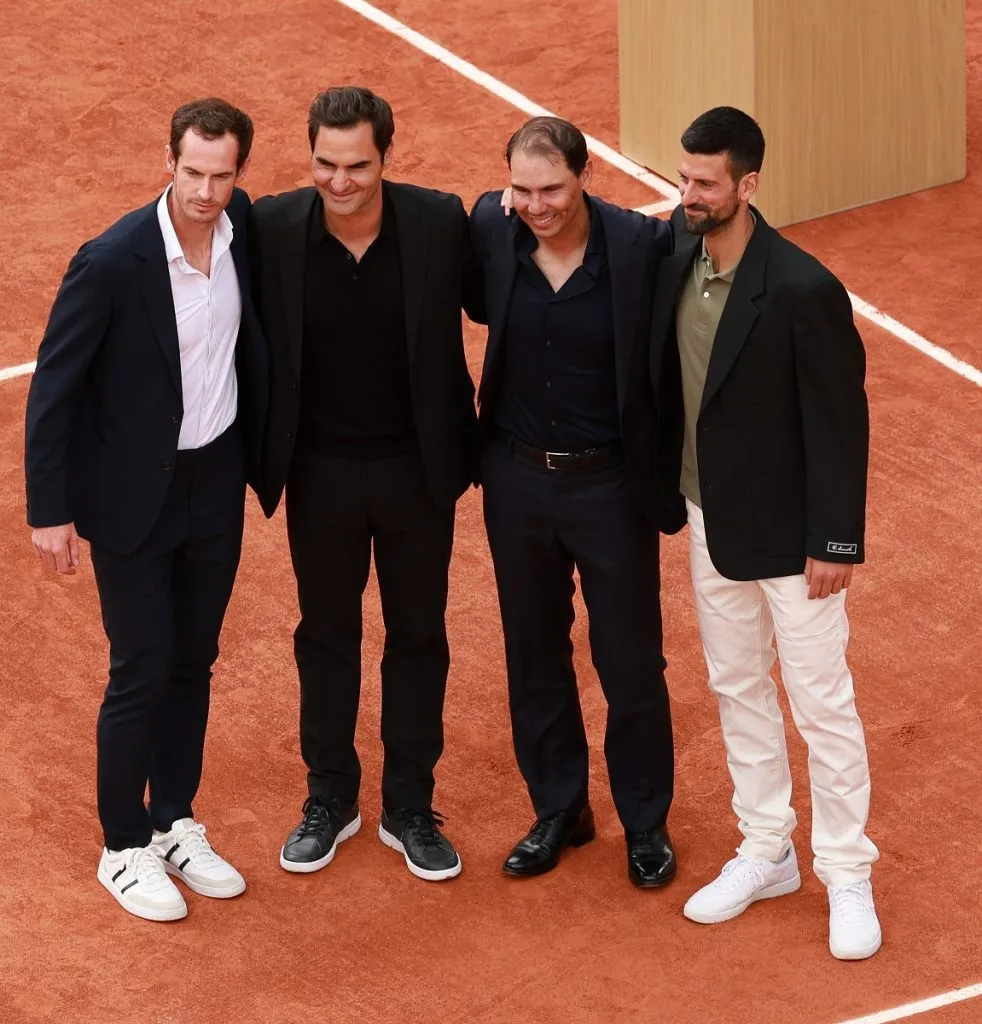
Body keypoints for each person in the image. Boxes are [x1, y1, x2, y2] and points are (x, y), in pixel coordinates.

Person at [24, 98, 269, 922]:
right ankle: (122, 845)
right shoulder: (113, 260)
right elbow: (53, 389)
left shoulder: (244, 240)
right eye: (192, 172)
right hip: (133, 498)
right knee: (141, 665)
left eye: (221, 175)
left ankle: (174, 820)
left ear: (240, 172)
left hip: (215, 483)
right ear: (169, 161)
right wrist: (50, 510)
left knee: (194, 659)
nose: (206, 190)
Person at [649, 106, 881, 959]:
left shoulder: (802, 288)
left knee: (823, 705)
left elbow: (838, 422)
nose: (689, 194)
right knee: (737, 685)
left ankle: (847, 872)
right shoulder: (678, 254)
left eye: (706, 183)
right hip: (711, 521)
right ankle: (768, 848)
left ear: (749, 185)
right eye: (684, 178)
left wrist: (836, 542)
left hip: (794, 542)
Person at [252, 86, 484, 882]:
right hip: (319, 472)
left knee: (418, 635)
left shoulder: (438, 222)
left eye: (357, 166)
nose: (339, 181)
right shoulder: (274, 226)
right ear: (308, 152)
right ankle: (331, 798)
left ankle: (410, 806)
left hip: (417, 473)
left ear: (387, 157)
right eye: (325, 164)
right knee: (326, 634)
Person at [470, 116, 682, 886]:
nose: (537, 205)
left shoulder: (639, 247)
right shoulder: (491, 235)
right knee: (533, 651)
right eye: (522, 190)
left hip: (611, 486)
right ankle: (560, 808)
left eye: (552, 188)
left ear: (585, 174)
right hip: (518, 480)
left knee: (629, 659)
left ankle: (645, 821)